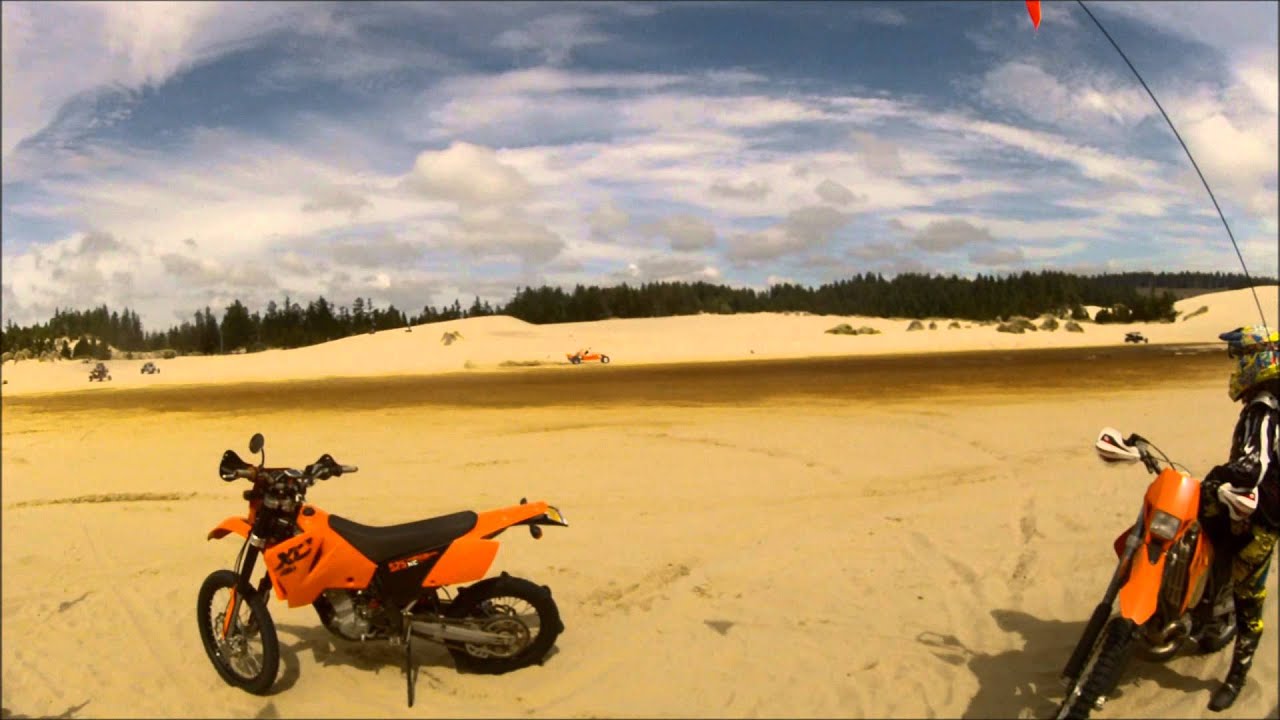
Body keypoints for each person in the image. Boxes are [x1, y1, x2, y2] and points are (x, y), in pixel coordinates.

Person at [1197, 325, 1280, 712]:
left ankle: (1237, 675)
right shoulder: (1266, 402)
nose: (1238, 364)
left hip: (1261, 513)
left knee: (1250, 592)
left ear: (1258, 358)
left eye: (1242, 356)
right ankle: (1208, 617)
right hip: (1247, 504)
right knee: (1209, 542)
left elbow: (1253, 465)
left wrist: (1216, 476)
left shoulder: (1264, 407)